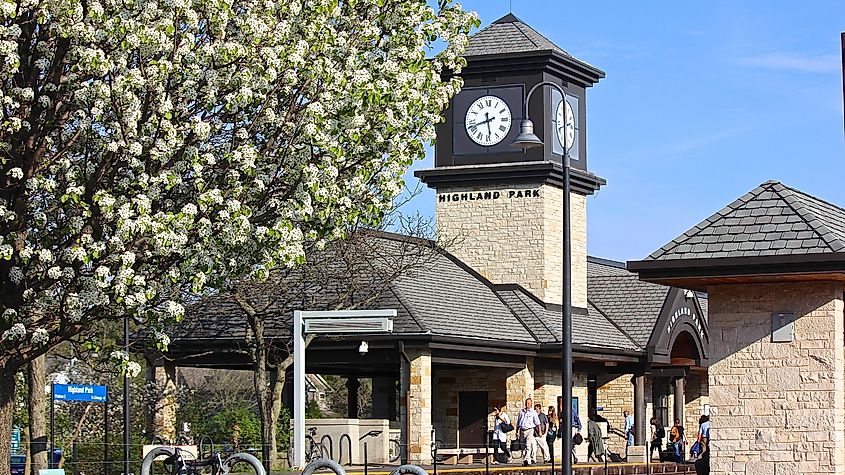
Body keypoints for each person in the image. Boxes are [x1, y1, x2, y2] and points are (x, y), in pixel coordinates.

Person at [516, 397, 540, 466]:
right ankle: (525, 460)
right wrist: (517, 431)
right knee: (523, 446)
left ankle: (527, 460)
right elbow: (518, 422)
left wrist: (540, 431)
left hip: (529, 430)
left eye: (529, 403)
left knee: (528, 445)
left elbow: (537, 422)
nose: (527, 404)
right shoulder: (521, 411)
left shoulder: (533, 412)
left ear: (531, 404)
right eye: (526, 403)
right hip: (522, 430)